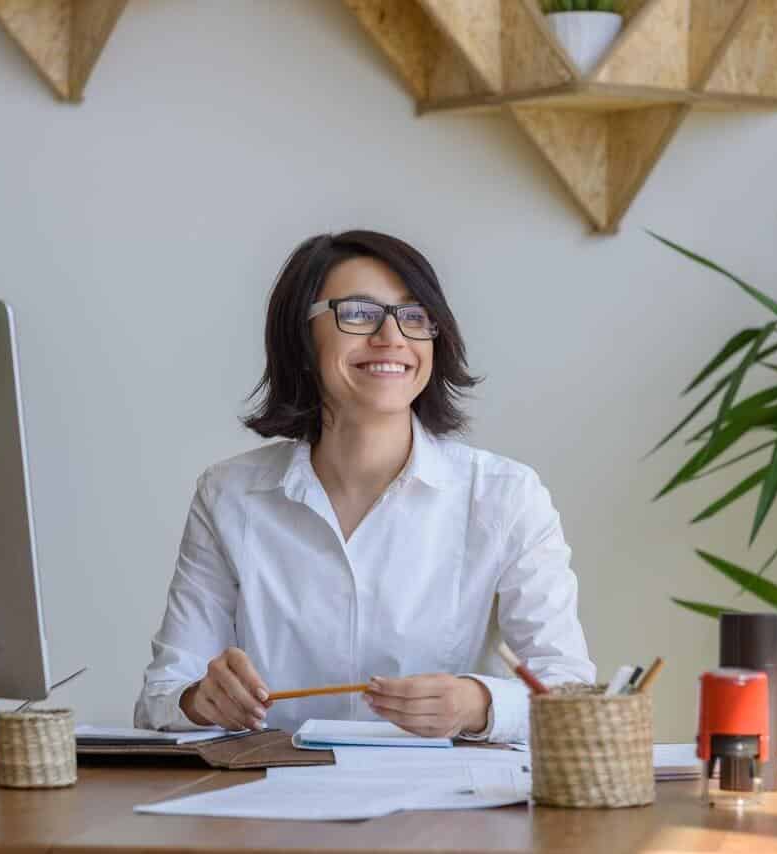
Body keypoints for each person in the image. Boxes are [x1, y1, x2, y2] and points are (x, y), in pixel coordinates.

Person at [134, 230, 594, 743]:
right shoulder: (229, 495)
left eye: (414, 316)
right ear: (302, 338)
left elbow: (569, 691)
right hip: (270, 801)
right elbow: (162, 695)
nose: (393, 337)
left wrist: (479, 705)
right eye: (358, 313)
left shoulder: (505, 496)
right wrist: (202, 700)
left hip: (441, 807)